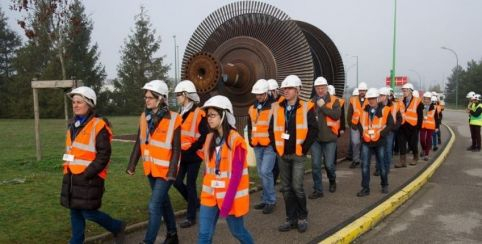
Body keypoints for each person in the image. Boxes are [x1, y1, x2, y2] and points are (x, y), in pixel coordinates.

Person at [61, 86, 125, 244]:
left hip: (89, 177)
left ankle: (117, 226)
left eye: (79, 102)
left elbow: (104, 155)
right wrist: (67, 166)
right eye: (74, 102)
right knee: (75, 211)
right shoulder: (72, 125)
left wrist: (87, 173)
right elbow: (71, 150)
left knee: (88, 212)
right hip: (71, 176)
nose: (75, 105)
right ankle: (76, 241)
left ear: (89, 104)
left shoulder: (98, 125)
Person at [126, 80, 181, 244]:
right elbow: (139, 141)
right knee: (163, 202)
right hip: (151, 168)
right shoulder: (144, 116)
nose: (147, 100)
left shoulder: (174, 119)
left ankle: (148, 241)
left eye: (150, 97)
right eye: (146, 97)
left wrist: (172, 171)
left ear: (161, 99)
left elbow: (177, 149)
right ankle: (172, 235)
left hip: (166, 171)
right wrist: (132, 164)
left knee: (153, 205)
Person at [198, 95, 254, 244]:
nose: (209, 119)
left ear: (224, 115)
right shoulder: (209, 138)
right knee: (204, 236)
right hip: (209, 196)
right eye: (207, 115)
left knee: (238, 232)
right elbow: (207, 169)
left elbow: (236, 177)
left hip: (230, 198)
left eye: (212, 115)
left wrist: (227, 204)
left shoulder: (237, 142)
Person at [269, 75, 318, 233]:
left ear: (298, 90)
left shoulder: (307, 107)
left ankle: (302, 217)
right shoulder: (277, 107)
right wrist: (276, 148)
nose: (286, 91)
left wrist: (303, 149)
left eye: (289, 88)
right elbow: (271, 129)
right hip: (282, 154)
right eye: (285, 88)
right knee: (286, 188)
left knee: (297, 187)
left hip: (298, 155)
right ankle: (290, 219)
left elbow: (313, 130)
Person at [172, 80, 208, 228]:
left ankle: (191, 217)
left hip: (194, 156)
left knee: (191, 184)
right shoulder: (180, 113)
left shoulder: (200, 113)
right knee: (177, 181)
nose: (177, 98)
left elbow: (205, 135)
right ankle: (195, 203)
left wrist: (192, 147)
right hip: (182, 155)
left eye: (178, 95)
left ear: (186, 95)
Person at [356, 88, 393, 197]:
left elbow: (390, 124)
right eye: (369, 99)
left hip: (380, 142)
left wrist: (380, 135)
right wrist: (363, 135)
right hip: (367, 142)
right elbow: (359, 124)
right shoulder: (363, 111)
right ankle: (365, 188)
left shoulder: (385, 110)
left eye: (373, 98)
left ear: (378, 98)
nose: (371, 101)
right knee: (365, 166)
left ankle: (384, 184)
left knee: (381, 165)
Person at [308, 77, 341, 199]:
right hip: (316, 140)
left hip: (329, 138)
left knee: (329, 165)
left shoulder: (334, 100)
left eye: (322, 88)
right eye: (318, 88)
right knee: (315, 165)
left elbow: (336, 115)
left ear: (326, 88)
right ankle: (318, 190)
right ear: (315, 89)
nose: (320, 90)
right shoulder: (311, 102)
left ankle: (332, 181)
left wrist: (323, 107)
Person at [248, 79, 277, 214]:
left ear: (266, 93)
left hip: (269, 146)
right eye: (256, 94)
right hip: (257, 145)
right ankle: (265, 199)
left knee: (266, 172)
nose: (258, 96)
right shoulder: (252, 108)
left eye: (260, 94)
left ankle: (271, 200)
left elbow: (278, 126)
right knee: (261, 174)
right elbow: (250, 126)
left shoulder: (274, 106)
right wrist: (250, 139)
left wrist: (273, 141)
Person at [395, 83, 423, 167]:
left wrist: (418, 127)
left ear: (411, 91)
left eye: (406, 90)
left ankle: (415, 157)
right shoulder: (400, 101)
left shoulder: (417, 101)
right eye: (403, 90)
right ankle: (402, 161)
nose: (404, 92)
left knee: (413, 143)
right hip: (402, 126)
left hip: (413, 126)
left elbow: (420, 116)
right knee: (401, 143)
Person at [375, 87, 401, 176]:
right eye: (379, 95)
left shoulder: (395, 105)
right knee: (379, 150)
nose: (380, 97)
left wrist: (394, 128)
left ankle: (386, 168)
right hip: (379, 131)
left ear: (386, 96)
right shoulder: (377, 106)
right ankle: (378, 168)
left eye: (382, 95)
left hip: (390, 131)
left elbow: (399, 118)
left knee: (388, 150)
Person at [347, 82, 368, 168]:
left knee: (365, 143)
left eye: (363, 90)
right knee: (355, 143)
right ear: (358, 91)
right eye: (360, 90)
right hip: (355, 125)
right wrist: (351, 124)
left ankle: (364, 160)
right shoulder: (353, 100)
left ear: (366, 91)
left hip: (365, 126)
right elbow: (349, 113)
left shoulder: (369, 100)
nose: (362, 92)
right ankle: (355, 160)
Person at [267, 78, 281, 184]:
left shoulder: (283, 101)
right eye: (269, 92)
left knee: (280, 162)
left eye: (272, 91)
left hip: (282, 137)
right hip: (271, 137)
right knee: (273, 162)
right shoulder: (267, 103)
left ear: (277, 90)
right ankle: (273, 181)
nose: (271, 94)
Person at [420, 92, 439, 161]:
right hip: (422, 125)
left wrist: (437, 127)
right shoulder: (421, 106)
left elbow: (437, 118)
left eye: (428, 99)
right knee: (422, 139)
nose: (426, 100)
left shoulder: (434, 107)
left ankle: (426, 154)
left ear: (430, 99)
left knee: (428, 140)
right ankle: (424, 149)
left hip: (431, 126)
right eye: (425, 99)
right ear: (423, 99)